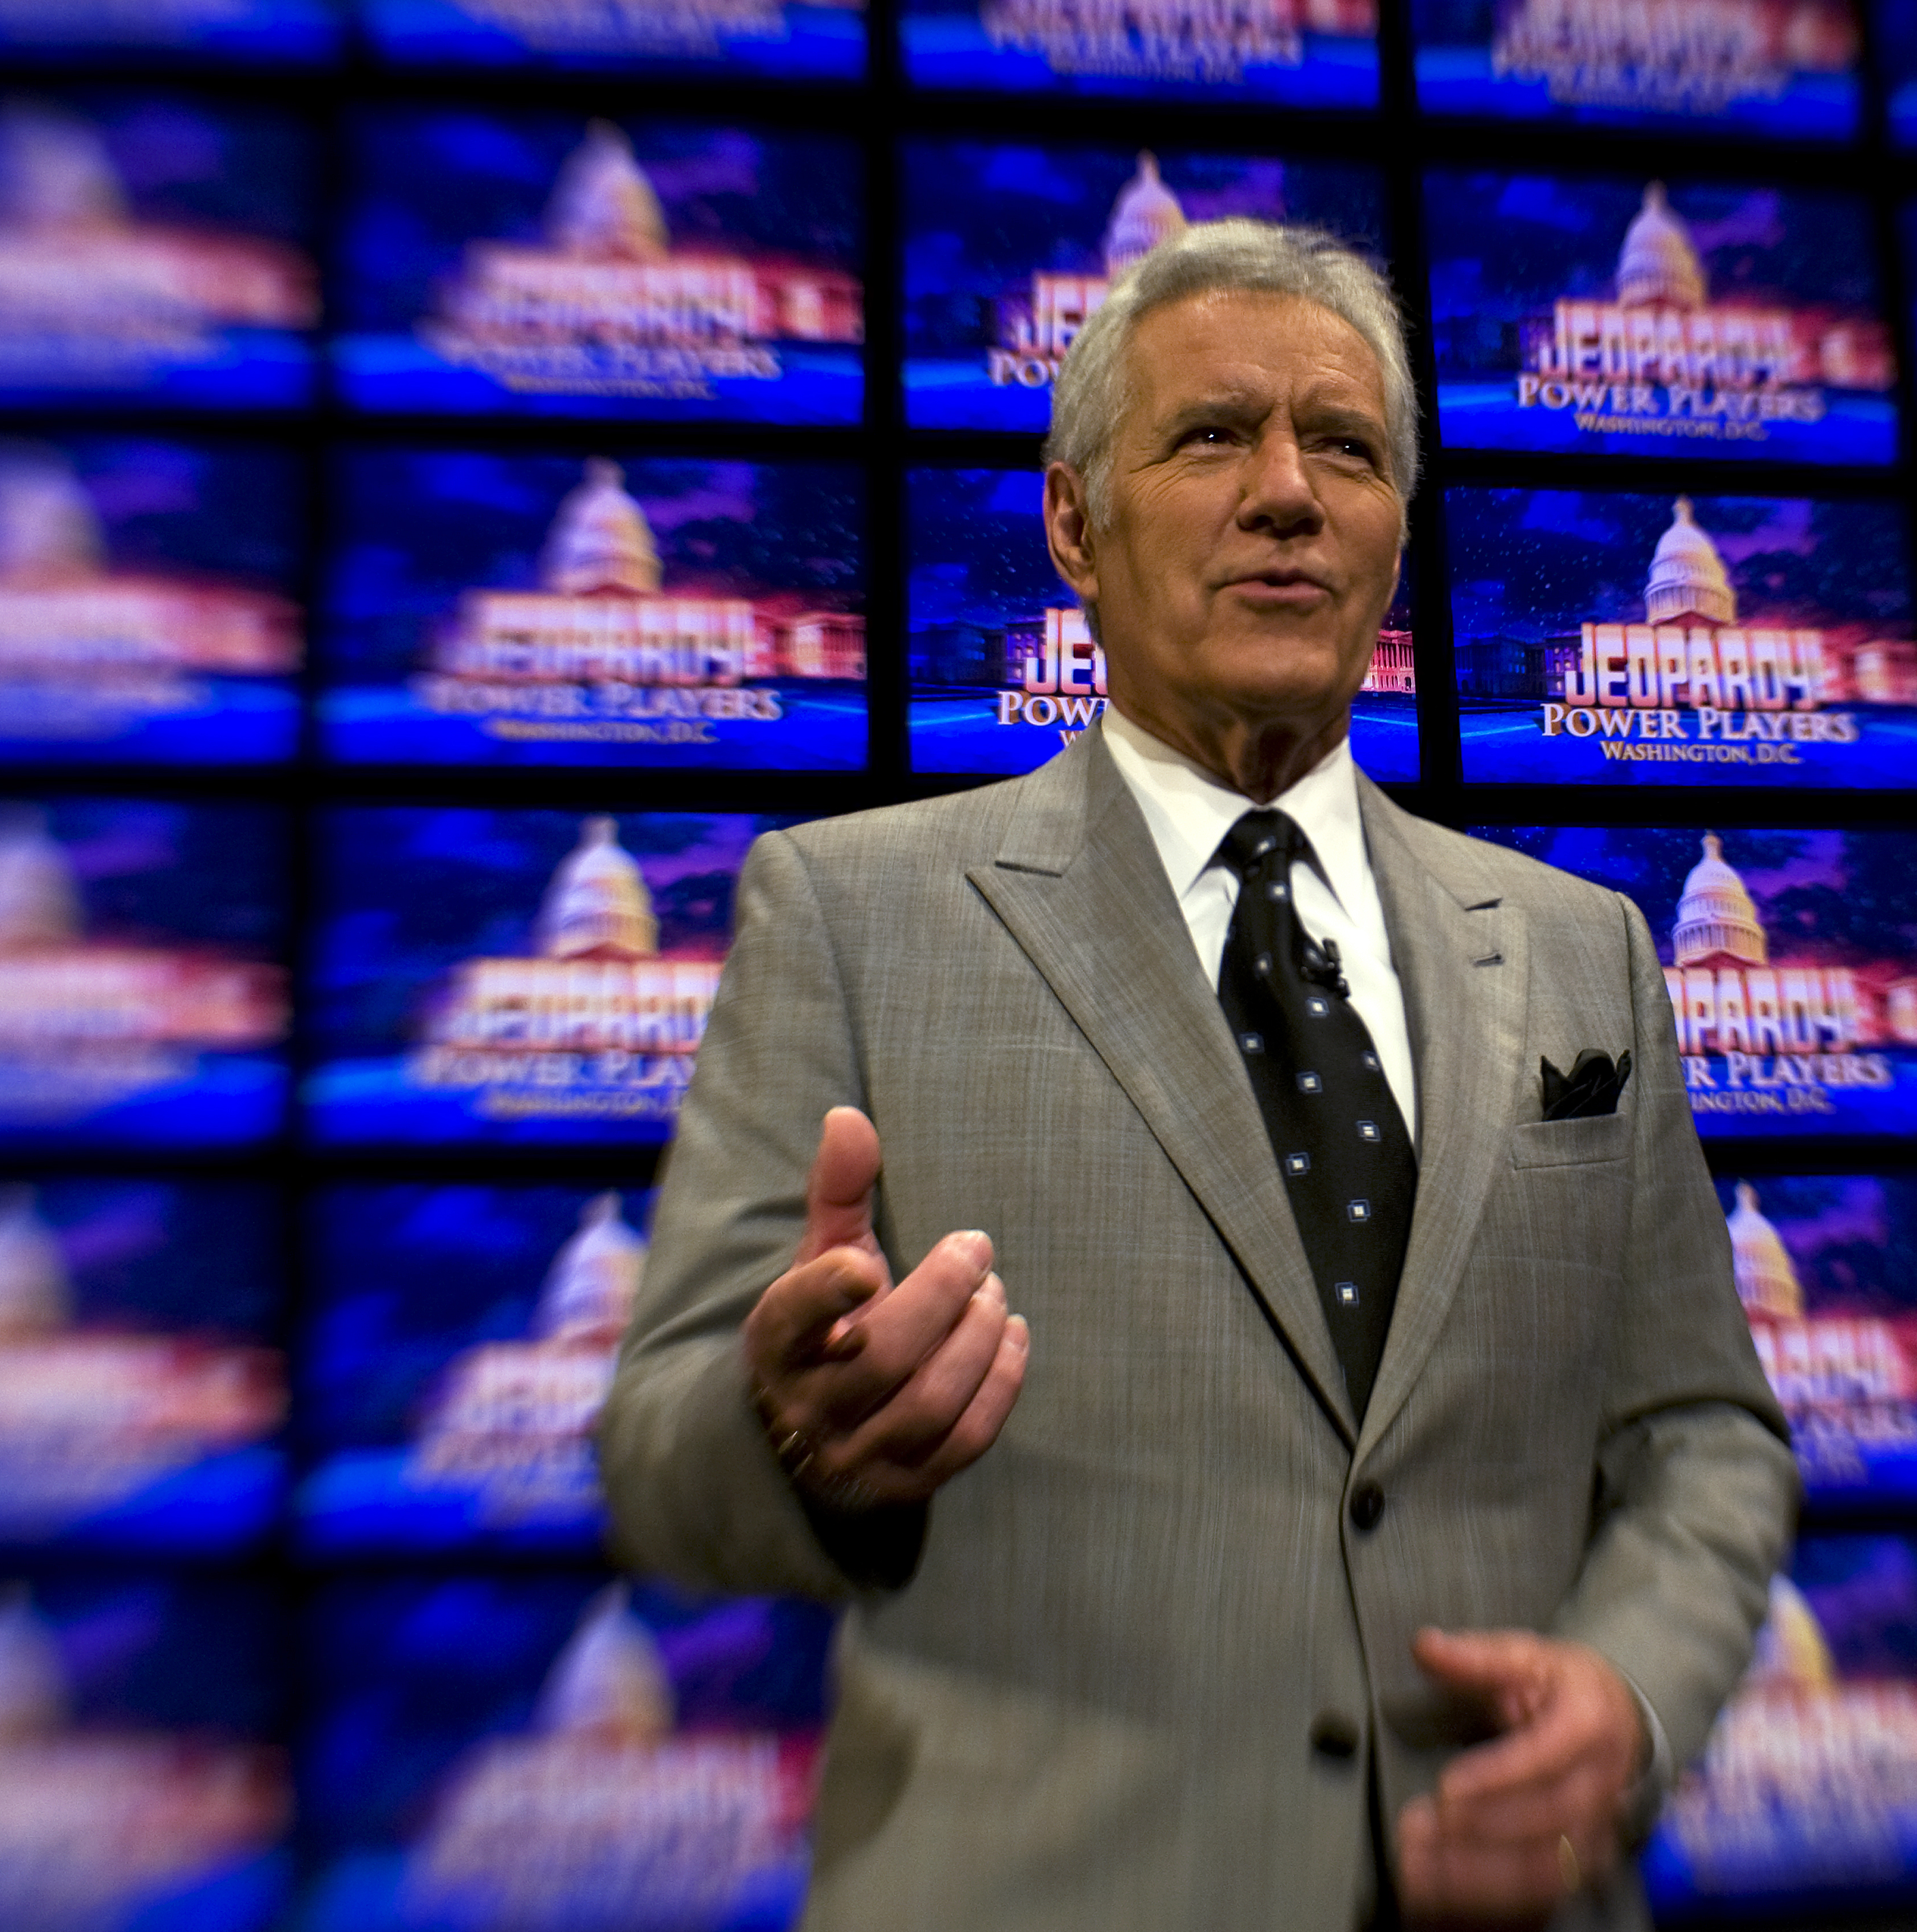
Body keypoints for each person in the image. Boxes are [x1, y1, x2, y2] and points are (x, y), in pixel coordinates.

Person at [600, 219, 1797, 1932]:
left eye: (1349, 449)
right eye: (1216, 434)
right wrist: (793, 1434)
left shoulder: (1587, 948)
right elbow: (658, 1458)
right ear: (1074, 524)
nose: (1291, 492)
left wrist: (1635, 1692)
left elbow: (1704, 1437)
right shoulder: (848, 912)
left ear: (1397, 531)